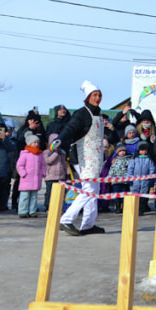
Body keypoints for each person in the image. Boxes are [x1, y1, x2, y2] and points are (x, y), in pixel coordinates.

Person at [56, 82, 108, 236]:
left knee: (94, 190)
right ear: (87, 97)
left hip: (96, 157)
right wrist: (59, 139)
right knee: (89, 189)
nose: (97, 98)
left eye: (99, 95)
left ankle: (88, 224)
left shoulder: (98, 113)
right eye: (94, 95)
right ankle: (66, 219)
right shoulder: (81, 113)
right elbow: (70, 128)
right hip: (82, 157)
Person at [16, 133, 45, 218]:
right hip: (26, 179)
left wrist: (43, 172)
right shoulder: (25, 154)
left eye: (37, 142)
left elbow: (43, 165)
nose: (36, 144)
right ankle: (23, 211)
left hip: (36, 179)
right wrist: (23, 173)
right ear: (29, 143)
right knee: (25, 196)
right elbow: (19, 165)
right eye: (34, 142)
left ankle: (32, 211)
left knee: (34, 197)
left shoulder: (40, 154)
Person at [127, 142, 155, 215]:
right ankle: (134, 209)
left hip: (145, 181)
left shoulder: (149, 160)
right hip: (135, 181)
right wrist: (129, 178)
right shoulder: (134, 159)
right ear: (138, 151)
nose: (143, 152)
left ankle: (141, 209)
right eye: (142, 150)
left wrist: (151, 179)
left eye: (145, 150)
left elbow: (152, 169)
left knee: (143, 196)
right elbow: (130, 169)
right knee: (134, 196)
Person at [41, 133, 67, 213]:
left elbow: (64, 163)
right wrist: (55, 153)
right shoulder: (46, 152)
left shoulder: (62, 152)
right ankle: (48, 206)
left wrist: (67, 173)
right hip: (51, 176)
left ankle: (59, 207)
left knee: (60, 194)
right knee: (50, 193)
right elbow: (48, 161)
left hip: (61, 176)